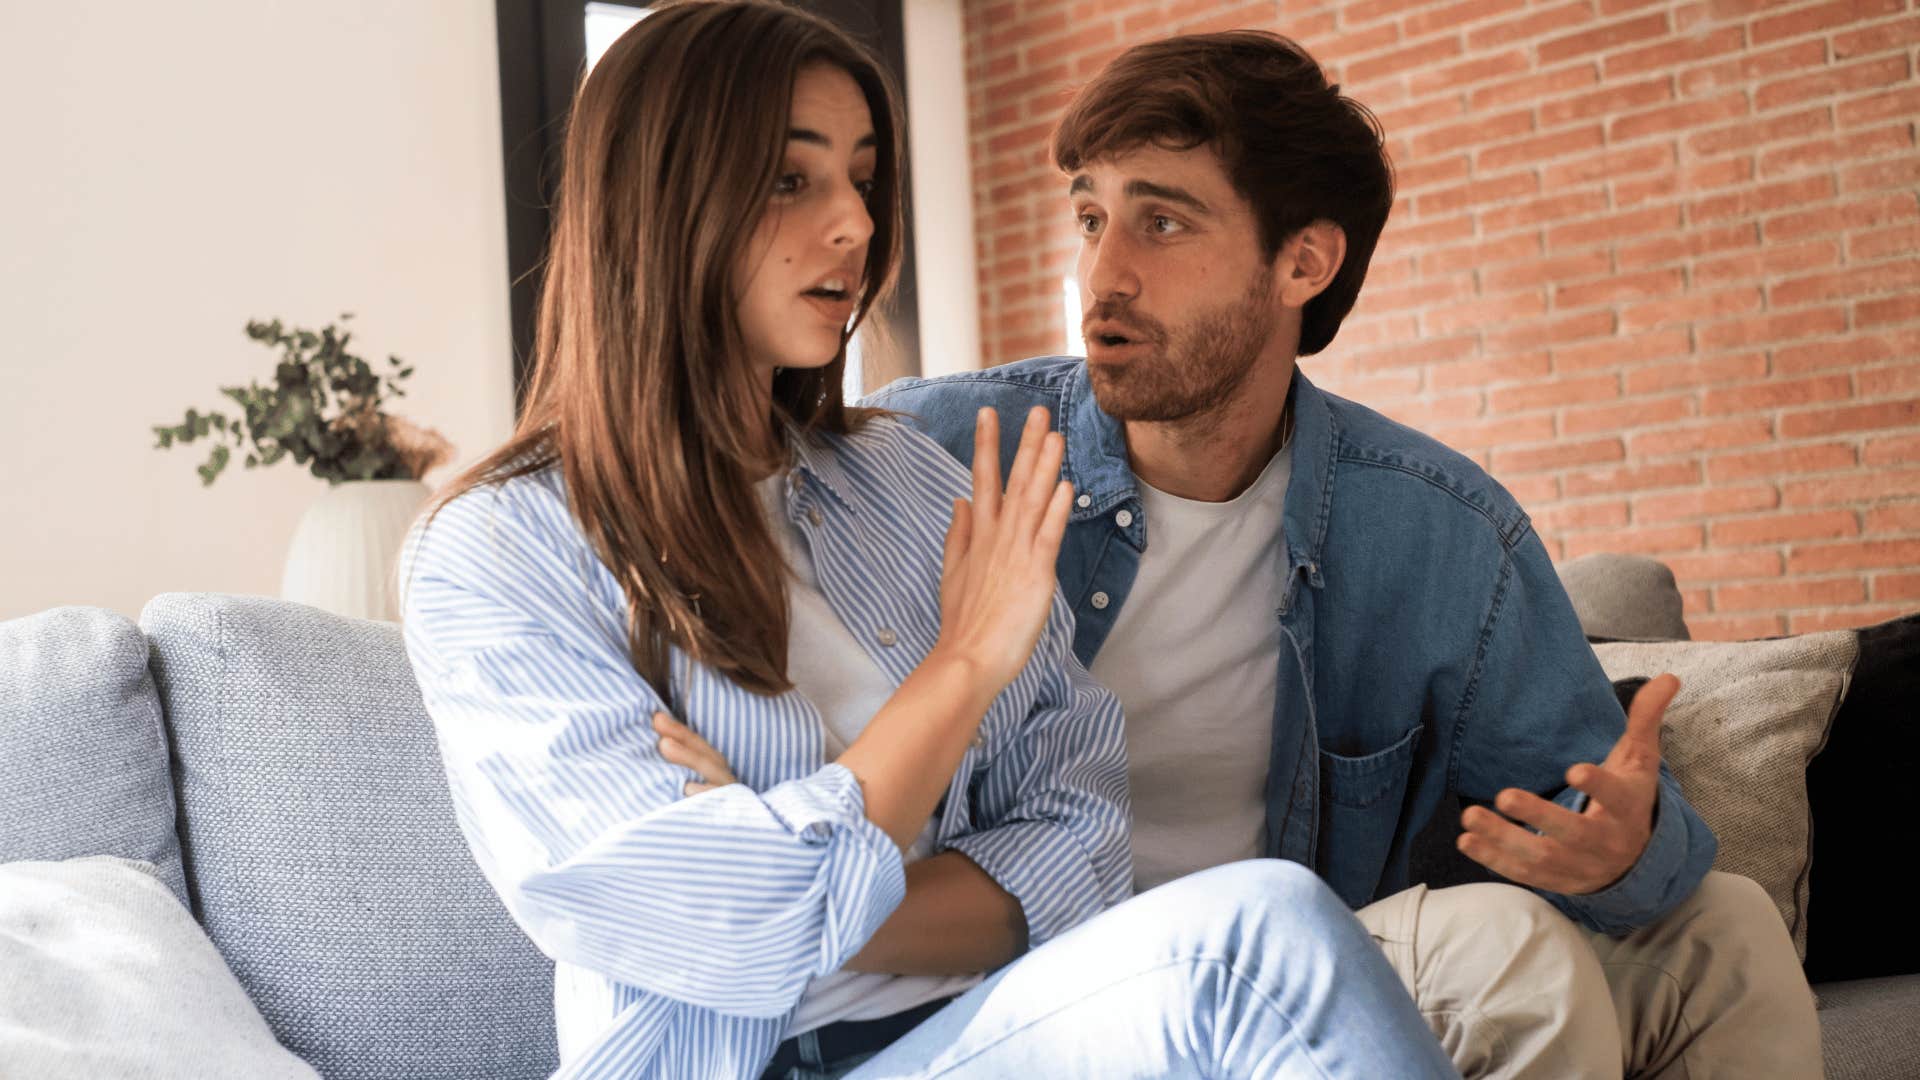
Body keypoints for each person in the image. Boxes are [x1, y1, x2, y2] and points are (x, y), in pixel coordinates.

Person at [400, 5, 1460, 1078]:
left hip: (997, 1026)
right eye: (790, 180)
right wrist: (960, 672)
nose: (855, 223)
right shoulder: (497, 552)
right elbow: (721, 930)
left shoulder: (906, 478)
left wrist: (799, 865)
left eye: (862, 178)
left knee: (1284, 938)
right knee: (1254, 950)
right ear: (659, 203)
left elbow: (1078, 840)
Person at [862, 29, 1823, 1080]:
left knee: (1723, 932)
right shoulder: (941, 450)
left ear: (1303, 262)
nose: (1104, 274)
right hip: (1026, 1000)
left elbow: (1583, 808)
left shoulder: (1435, 530)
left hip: (1288, 974)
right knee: (1511, 962)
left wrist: (1620, 853)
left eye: (1163, 222)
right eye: (1092, 217)